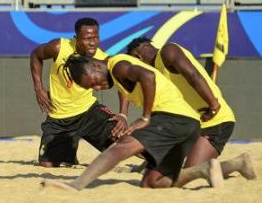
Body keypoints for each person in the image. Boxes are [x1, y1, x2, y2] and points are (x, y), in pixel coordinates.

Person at [41, 54, 224, 191]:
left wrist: (145, 117)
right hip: (189, 124)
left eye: (93, 82)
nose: (97, 88)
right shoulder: (116, 72)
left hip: (173, 117)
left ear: (96, 66)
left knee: (120, 147)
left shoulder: (118, 66)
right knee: (152, 183)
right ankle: (203, 169)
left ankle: (76, 185)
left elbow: (148, 77)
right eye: (92, 88)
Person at [126, 37, 256, 182]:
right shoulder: (158, 74)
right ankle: (233, 164)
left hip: (216, 120)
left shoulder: (167, 51)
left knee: (189, 174)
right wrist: (141, 167)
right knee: (186, 173)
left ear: (138, 57)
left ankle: (238, 163)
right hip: (193, 126)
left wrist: (213, 105)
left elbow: (193, 75)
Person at [29, 17, 128, 167]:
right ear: (76, 39)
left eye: (96, 37)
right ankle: (69, 156)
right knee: (47, 165)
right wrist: (38, 88)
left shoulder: (102, 59)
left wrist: (123, 114)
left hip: (88, 112)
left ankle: (158, 162)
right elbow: (36, 55)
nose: (93, 42)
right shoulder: (58, 47)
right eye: (88, 38)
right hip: (59, 119)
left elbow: (123, 84)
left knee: (124, 139)